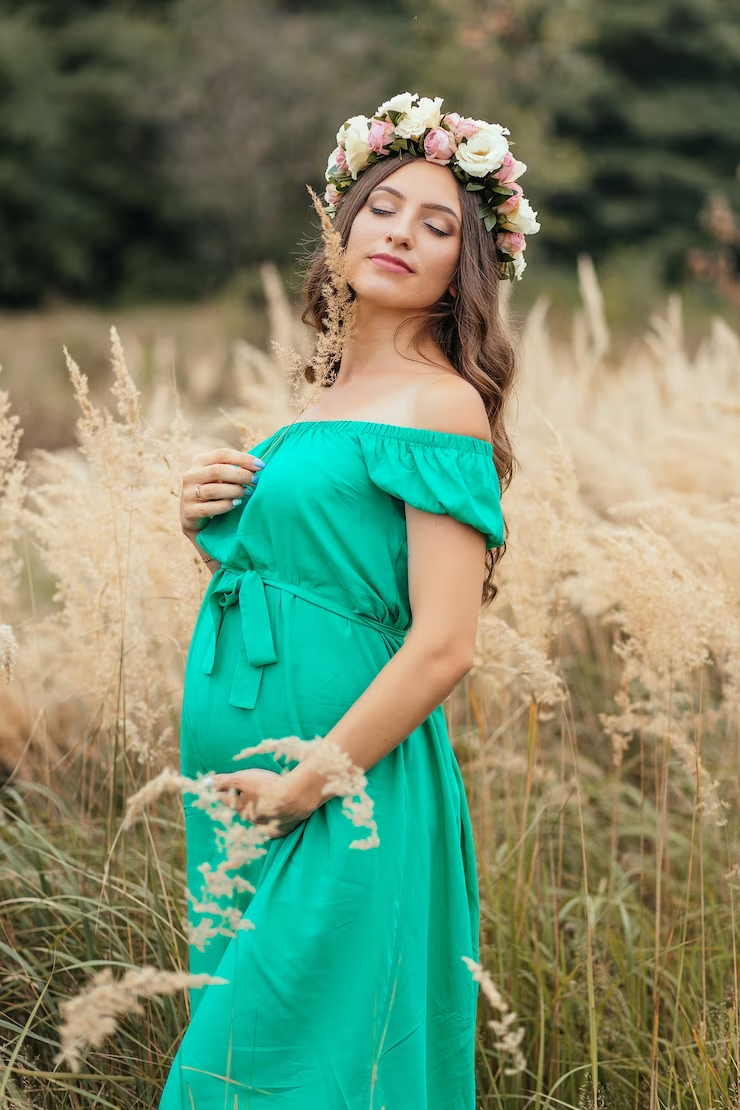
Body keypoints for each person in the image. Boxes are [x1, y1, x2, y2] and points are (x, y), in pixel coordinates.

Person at [159, 92, 539, 1109]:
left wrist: (309, 781)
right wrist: (204, 522)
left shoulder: (440, 402)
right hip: (245, 790)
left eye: (436, 226)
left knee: (269, 1077)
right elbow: (328, 586)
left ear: (460, 271)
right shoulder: (324, 403)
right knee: (267, 1066)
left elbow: (443, 643)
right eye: (383, 208)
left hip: (341, 788)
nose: (401, 235)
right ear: (340, 226)